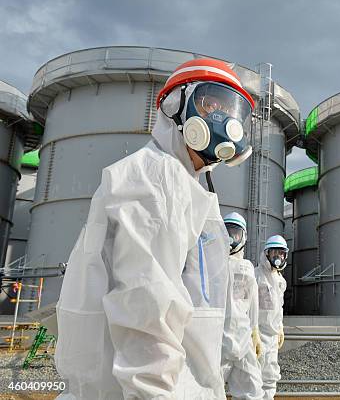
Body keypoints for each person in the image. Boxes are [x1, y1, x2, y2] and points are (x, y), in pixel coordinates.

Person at [54, 58, 256, 399]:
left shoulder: (186, 185)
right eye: (210, 105)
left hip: (178, 386)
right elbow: (146, 310)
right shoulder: (155, 180)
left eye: (231, 111)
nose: (225, 120)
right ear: (175, 105)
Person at [221, 212, 264, 400]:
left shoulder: (247, 268)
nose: (231, 238)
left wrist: (255, 330)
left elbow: (253, 301)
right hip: (217, 337)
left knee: (252, 387)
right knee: (208, 388)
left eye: (235, 233)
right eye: (227, 232)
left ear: (243, 237)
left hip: (243, 335)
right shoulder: (211, 262)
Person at [255, 235, 288, 400]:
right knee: (252, 375)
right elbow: (246, 306)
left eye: (281, 254)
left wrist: (280, 328)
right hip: (257, 334)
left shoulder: (281, 281)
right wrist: (252, 331)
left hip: (272, 336)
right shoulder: (256, 276)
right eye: (275, 253)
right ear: (267, 253)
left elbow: (279, 307)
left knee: (270, 375)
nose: (278, 257)